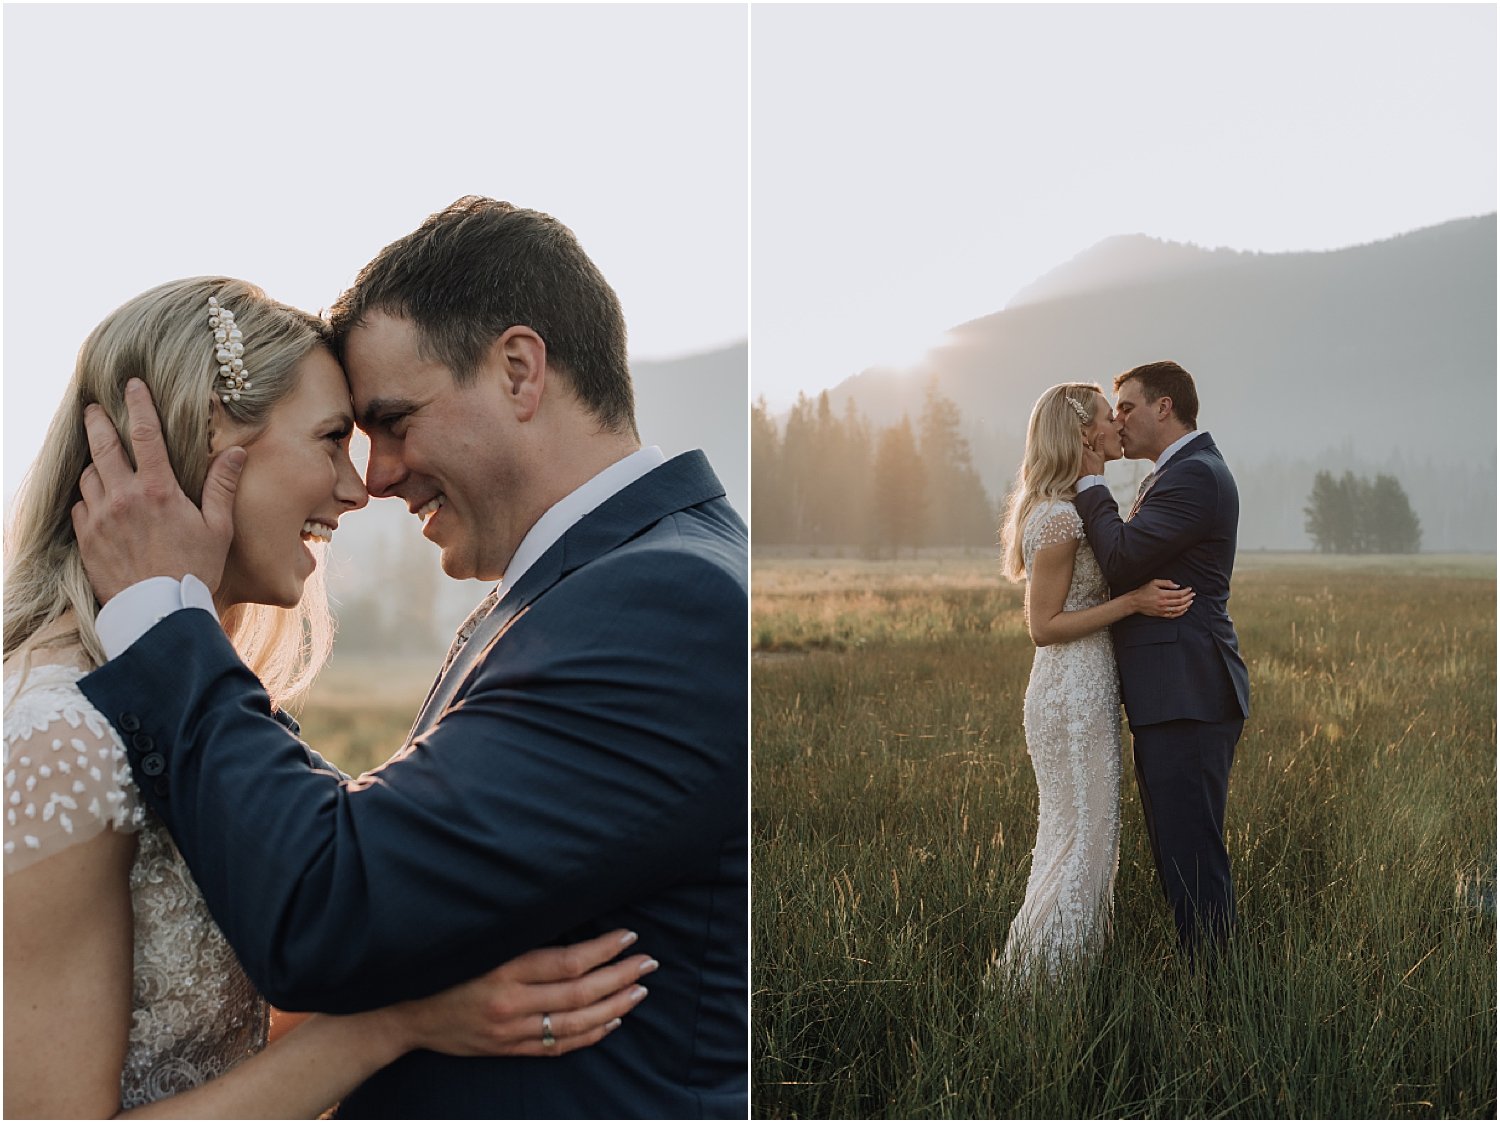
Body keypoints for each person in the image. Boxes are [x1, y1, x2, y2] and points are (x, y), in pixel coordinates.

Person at [69, 198, 748, 1118]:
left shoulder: (664, 604)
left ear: (518, 370)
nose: (376, 476)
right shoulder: (600, 584)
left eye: (394, 420)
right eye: (350, 436)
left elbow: (329, 903)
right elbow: (403, 857)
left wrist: (159, 617)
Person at [995, 382, 1194, 984]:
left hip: (1090, 688)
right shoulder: (1056, 519)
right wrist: (1133, 601)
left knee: (1087, 838)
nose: (1119, 424)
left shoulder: (1072, 508)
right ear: (1085, 434)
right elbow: (1043, 627)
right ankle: (1044, 990)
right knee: (1080, 840)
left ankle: (1059, 976)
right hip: (1070, 694)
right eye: (1111, 416)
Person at [1074, 360, 1250, 959]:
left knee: (1192, 853)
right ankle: (1207, 975)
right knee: (1180, 850)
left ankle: (1216, 989)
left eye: (1126, 406)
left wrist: (1091, 481)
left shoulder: (1195, 476)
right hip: (1174, 692)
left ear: (1164, 407)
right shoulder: (1175, 474)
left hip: (1189, 691)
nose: (1119, 419)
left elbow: (1122, 559)